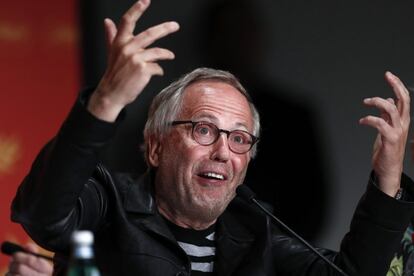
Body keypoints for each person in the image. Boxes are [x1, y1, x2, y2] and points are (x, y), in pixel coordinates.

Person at [9, 0, 414, 275]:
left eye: (240, 139)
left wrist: (388, 177)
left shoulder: (257, 233)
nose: (223, 151)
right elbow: (42, 214)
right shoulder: (107, 203)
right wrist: (105, 102)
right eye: (204, 130)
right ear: (154, 146)